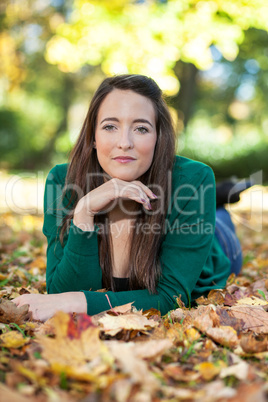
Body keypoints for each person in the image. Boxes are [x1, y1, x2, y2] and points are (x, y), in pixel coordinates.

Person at [12, 74, 249, 322]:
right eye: (110, 126)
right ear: (93, 136)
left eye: (141, 128)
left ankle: (217, 205)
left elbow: (170, 298)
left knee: (220, 221)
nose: (124, 143)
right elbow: (61, 291)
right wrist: (84, 211)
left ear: (159, 137)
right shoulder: (63, 181)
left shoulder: (194, 178)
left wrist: (74, 302)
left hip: (219, 247)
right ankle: (217, 202)